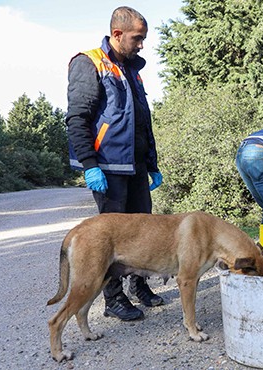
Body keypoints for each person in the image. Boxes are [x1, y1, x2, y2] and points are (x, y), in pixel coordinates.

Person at [65, 6, 164, 321]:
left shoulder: (132, 69)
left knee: (144, 233)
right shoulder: (90, 62)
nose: (142, 45)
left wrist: (152, 163)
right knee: (112, 239)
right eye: (138, 38)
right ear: (118, 34)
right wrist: (90, 164)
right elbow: (77, 119)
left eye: (144, 39)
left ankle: (140, 286)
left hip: (134, 166)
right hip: (107, 168)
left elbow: (142, 123)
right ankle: (113, 299)